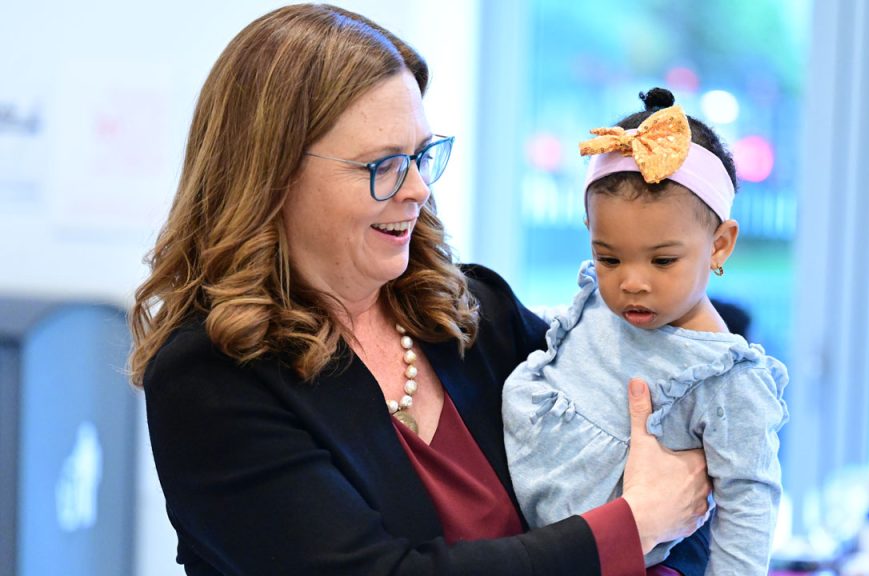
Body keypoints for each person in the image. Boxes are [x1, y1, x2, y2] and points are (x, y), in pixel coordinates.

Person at [129, 5, 714, 575]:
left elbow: (679, 458)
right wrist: (631, 528)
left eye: (419, 156)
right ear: (274, 175)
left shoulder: (476, 313)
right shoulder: (210, 375)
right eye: (382, 164)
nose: (416, 189)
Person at [503, 88, 789, 575]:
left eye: (663, 260)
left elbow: (748, 505)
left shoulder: (725, 379)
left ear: (719, 246)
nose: (632, 282)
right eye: (608, 257)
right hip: (524, 545)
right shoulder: (597, 302)